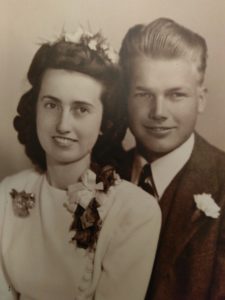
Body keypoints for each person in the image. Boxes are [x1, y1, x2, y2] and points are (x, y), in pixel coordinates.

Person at [0, 28, 161, 300]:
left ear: (105, 122)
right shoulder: (9, 192)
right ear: (35, 109)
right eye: (51, 105)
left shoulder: (135, 211)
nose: (63, 125)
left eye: (81, 109)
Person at [118, 17, 225, 300]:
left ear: (200, 99)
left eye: (176, 94)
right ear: (125, 98)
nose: (158, 112)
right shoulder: (99, 172)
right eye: (144, 94)